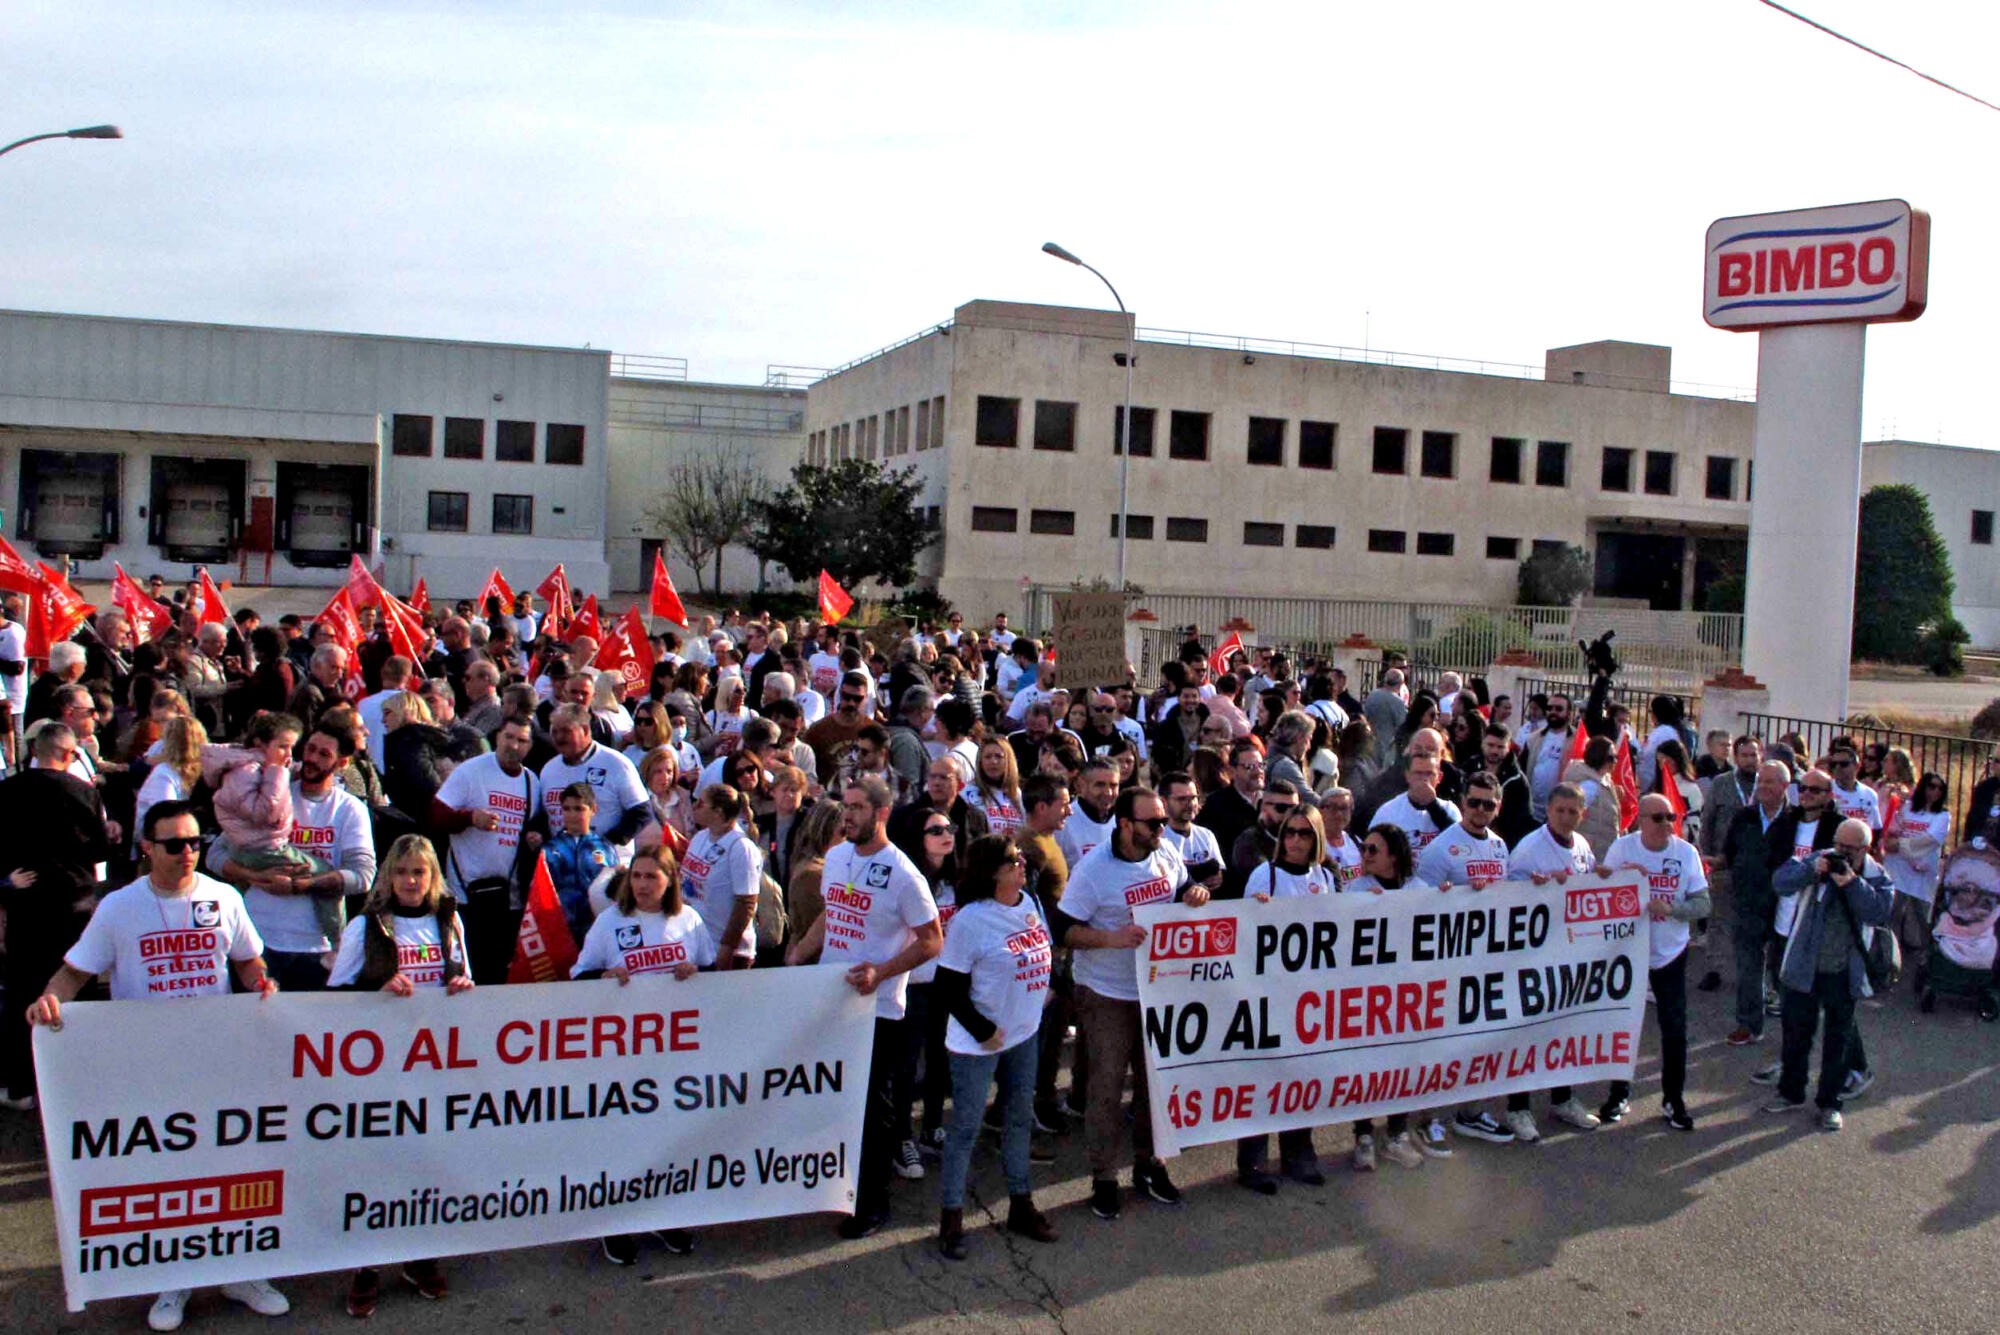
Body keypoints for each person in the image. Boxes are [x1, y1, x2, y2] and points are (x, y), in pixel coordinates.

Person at [24, 800, 290, 1330]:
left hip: (218, 1061)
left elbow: (246, 960)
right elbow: (75, 972)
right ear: (147, 848)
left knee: (230, 1168)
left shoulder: (224, 897)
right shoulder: (120, 907)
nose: (187, 853)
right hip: (149, 1067)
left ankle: (241, 1271)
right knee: (168, 1174)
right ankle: (174, 1280)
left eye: (194, 842)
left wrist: (262, 981)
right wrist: (49, 1001)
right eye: (174, 844)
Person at [785, 776, 943, 1238]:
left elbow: (932, 941)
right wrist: (799, 954)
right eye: (845, 807)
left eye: (856, 807)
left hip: (879, 1011)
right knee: (833, 1098)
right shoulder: (835, 858)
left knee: (874, 1108)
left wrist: (882, 970)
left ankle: (872, 1204)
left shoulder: (903, 873)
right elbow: (831, 914)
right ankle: (835, 1183)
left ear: (881, 813)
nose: (847, 815)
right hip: (831, 999)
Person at [327, 834, 471, 1316]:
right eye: (403, 872)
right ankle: (367, 1264)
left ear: (432, 878)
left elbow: (465, 980)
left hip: (435, 1067)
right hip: (381, 1071)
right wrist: (377, 986)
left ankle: (419, 1256)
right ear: (389, 876)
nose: (411, 881)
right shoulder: (366, 927)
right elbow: (336, 994)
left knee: (427, 1164)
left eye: (420, 872)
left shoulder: (449, 922)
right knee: (378, 1168)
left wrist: (462, 983)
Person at [1053, 786, 1210, 1220]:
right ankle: (1104, 1176)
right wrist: (1110, 938)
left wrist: (1195, 894)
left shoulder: (1165, 854)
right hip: (1106, 992)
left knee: (1153, 1084)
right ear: (1125, 825)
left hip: (1157, 990)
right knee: (1105, 1086)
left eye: (1163, 820)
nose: (1163, 828)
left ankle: (1149, 1164)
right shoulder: (1093, 871)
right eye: (1153, 822)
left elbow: (1182, 893)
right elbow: (1062, 930)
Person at [570, 846, 709, 1261]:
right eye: (637, 876)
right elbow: (578, 974)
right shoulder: (611, 922)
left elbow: (712, 975)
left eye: (652, 877)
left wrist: (694, 974)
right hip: (621, 1053)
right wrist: (605, 976)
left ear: (670, 880)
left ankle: (665, 1215)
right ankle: (615, 1223)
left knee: (669, 1137)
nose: (643, 884)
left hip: (674, 1053)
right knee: (621, 1138)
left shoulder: (688, 920)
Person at [933, 834, 1058, 1258]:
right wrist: (983, 1029)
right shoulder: (970, 920)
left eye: (1019, 856)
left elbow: (1041, 949)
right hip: (978, 1043)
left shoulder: (1029, 902)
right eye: (1011, 860)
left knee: (1019, 1119)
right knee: (966, 1128)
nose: (1021, 863)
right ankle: (951, 1217)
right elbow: (947, 989)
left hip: (1024, 1033)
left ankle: (1021, 1203)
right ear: (992, 872)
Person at [0, 725, 111, 1112]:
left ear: (34, 750)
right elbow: (99, 850)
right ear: (68, 755)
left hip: (27, 905)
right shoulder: (85, 792)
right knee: (74, 990)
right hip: (75, 905)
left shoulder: (8, 790)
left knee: (22, 991)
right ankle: (70, 1082)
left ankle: (21, 1085)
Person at [1764, 819, 1893, 1130]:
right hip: (1803, 966)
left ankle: (1830, 1103)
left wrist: (1852, 882)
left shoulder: (1877, 876)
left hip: (1843, 971)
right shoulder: (1819, 859)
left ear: (1866, 849)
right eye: (1840, 846)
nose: (1843, 854)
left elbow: (1877, 912)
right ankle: (1791, 1092)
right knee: (1796, 1034)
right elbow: (1780, 882)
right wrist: (1812, 870)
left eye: (1850, 849)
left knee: (1838, 1040)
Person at [1597, 793, 1709, 1130]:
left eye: (1671, 817)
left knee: (1674, 1029)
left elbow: (1703, 905)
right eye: (1657, 818)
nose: (1666, 825)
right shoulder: (1623, 848)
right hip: (1629, 950)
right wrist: (1614, 878)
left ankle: (1673, 1098)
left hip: (1670, 952)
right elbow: (1603, 892)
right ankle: (1619, 1093)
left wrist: (1672, 910)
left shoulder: (1685, 853)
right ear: (1640, 820)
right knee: (1623, 1024)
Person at [1500, 783, 1604, 1137]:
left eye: (1572, 811)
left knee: (1565, 1029)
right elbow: (1509, 899)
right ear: (1549, 811)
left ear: (1582, 814)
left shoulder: (1582, 846)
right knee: (1528, 1033)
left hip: (1569, 954)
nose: (1565, 817)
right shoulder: (1530, 849)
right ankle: (1518, 1107)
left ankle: (1563, 1098)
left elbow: (1586, 887)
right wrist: (1537, 889)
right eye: (1559, 810)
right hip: (1533, 955)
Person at [1346, 825, 1437, 1170]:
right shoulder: (1355, 889)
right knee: (1366, 1067)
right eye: (1364, 848)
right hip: (1368, 992)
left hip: (1407, 993)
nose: (1365, 855)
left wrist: (1447, 897)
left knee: (1402, 1063)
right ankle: (1364, 1135)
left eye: (1373, 849)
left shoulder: (1419, 889)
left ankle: (1397, 1133)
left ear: (1394, 856)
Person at [431, 717, 542, 985]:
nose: (513, 745)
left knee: (499, 975)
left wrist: (535, 838)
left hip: (508, 900)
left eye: (522, 740)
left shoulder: (532, 782)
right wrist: (469, 818)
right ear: (498, 737)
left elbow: (536, 826)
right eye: (509, 737)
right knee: (468, 974)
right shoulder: (471, 771)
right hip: (467, 896)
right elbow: (436, 815)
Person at [1722, 761, 1794, 1047]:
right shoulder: (1745, 816)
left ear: (1785, 786)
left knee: (1784, 971)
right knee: (1748, 967)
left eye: (1770, 782)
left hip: (1783, 907)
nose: (1762, 787)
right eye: (1760, 782)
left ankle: (1794, 1030)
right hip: (1748, 903)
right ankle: (1749, 1025)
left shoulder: (1795, 820)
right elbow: (1731, 851)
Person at [539, 704, 650, 859]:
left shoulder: (616, 763)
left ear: (585, 730)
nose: (559, 737)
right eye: (554, 731)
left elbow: (642, 812)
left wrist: (604, 844)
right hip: (564, 867)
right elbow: (544, 816)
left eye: (565, 731)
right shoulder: (549, 770)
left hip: (610, 867)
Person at [682, 783, 763, 968]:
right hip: (698, 942)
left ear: (718, 812)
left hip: (728, 951)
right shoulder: (700, 837)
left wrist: (727, 948)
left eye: (701, 803)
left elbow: (746, 903)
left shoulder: (741, 848)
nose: (695, 806)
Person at [1881, 771, 1950, 968]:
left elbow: (1929, 840)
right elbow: (1893, 827)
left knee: (1923, 917)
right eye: (1931, 786)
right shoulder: (1908, 807)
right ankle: (1891, 957)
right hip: (1897, 868)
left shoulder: (1943, 815)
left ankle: (1927, 959)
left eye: (1939, 788)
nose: (1935, 791)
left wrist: (1900, 845)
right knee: (1893, 912)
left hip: (1923, 872)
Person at [1159, 770, 1224, 892]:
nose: (1190, 804)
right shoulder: (1159, 839)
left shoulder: (1206, 835)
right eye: (1182, 799)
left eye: (1193, 798)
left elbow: (1218, 875)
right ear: (1164, 802)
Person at [1522, 693, 1575, 821]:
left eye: (1558, 709)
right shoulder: (1533, 739)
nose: (1553, 712)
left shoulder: (1578, 741)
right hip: (1532, 810)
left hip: (1560, 812)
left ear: (1569, 713)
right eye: (1550, 708)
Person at [964, 738, 1025, 838]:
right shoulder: (968, 792)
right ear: (980, 762)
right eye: (987, 757)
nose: (993, 761)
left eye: (999, 756)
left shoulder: (1017, 794)